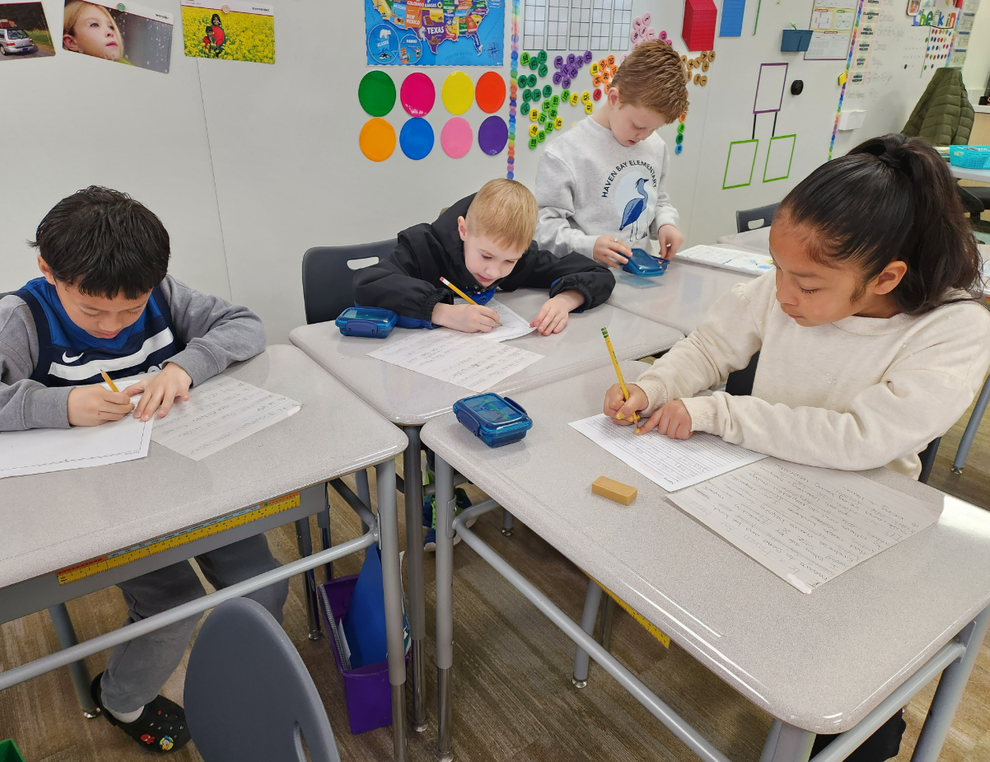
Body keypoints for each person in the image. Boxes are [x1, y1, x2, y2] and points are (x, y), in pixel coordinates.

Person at [604, 135, 990, 760]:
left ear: (886, 276)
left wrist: (717, 412)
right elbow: (709, 348)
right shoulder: (785, 286)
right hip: (763, 491)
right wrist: (650, 387)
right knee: (754, 626)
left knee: (846, 692)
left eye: (808, 286)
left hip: (865, 532)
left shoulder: (955, 329)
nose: (784, 295)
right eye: (777, 269)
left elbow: (861, 440)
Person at [0, 187, 287, 754]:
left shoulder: (161, 292)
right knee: (169, 605)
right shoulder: (20, 318)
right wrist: (58, 406)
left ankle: (242, 677)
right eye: (91, 311)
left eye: (130, 311)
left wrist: (185, 366)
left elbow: (243, 325)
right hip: (99, 506)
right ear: (48, 269)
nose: (113, 326)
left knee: (263, 582)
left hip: (188, 478)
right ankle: (121, 698)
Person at [353, 178, 615, 337]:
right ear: (463, 229)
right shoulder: (424, 246)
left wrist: (567, 300)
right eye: (486, 256)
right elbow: (367, 283)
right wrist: (443, 313)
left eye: (509, 261)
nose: (493, 272)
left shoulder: (518, 258)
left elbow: (599, 274)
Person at [535, 39, 689, 268]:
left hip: (639, 276)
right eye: (638, 126)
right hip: (585, 278)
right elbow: (543, 228)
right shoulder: (564, 154)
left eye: (654, 128)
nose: (644, 136)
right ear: (614, 98)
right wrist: (589, 245)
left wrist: (666, 223)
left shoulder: (655, 146)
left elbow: (657, 199)